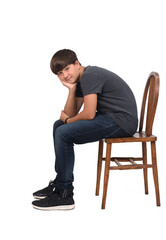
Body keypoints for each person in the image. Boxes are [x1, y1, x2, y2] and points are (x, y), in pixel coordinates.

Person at [32, 49, 138, 210]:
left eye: (67, 69)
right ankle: (60, 180)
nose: (65, 75)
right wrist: (72, 90)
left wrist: (67, 120)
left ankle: (64, 193)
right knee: (58, 126)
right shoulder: (82, 80)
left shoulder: (90, 75)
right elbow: (72, 113)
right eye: (60, 73)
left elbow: (87, 114)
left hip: (122, 121)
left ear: (77, 64)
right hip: (110, 117)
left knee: (63, 131)